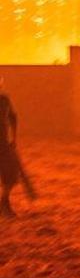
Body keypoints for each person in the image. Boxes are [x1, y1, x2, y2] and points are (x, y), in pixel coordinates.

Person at [0, 77, 21, 217]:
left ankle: (4, 201)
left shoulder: (4, 100)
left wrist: (14, 138)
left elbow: (13, 117)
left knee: (11, 175)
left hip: (3, 143)